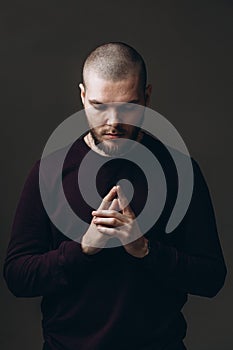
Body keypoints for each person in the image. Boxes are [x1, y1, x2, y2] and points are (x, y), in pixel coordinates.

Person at [4, 42, 227, 350]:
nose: (112, 122)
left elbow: (212, 278)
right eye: (98, 106)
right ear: (82, 96)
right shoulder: (49, 171)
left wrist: (145, 249)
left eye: (128, 107)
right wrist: (82, 249)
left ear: (147, 97)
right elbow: (17, 276)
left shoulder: (180, 170)